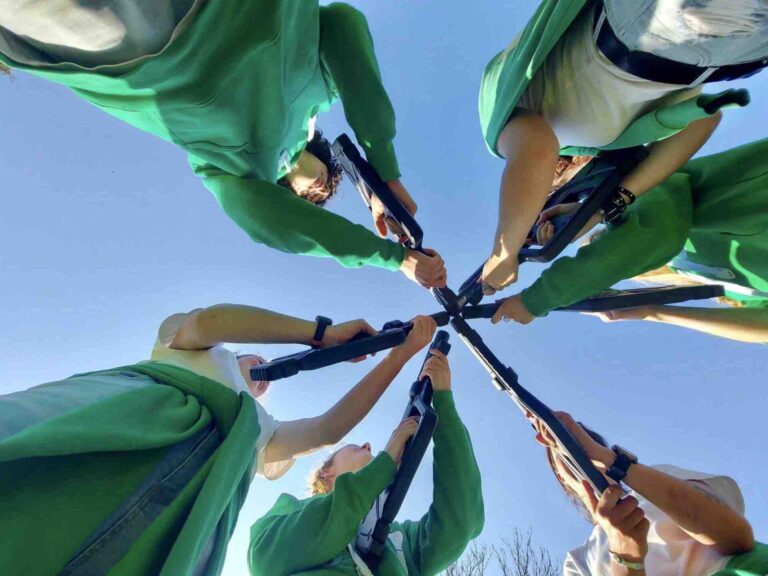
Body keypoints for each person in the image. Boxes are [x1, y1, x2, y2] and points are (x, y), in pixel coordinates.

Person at [0, 2, 446, 288]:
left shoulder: (237, 174)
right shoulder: (320, 91)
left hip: (144, 46)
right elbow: (343, 23)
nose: (318, 192)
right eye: (326, 188)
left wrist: (394, 259)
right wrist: (382, 173)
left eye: (311, 201)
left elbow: (276, 224)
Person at [0, 304, 439, 576]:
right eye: (256, 359)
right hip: (115, 424)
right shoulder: (189, 352)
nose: (262, 375)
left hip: (179, 519)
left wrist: (399, 355)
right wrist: (320, 333)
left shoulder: (260, 431)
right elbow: (211, 322)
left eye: (266, 378)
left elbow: (328, 429)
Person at [477, 0, 767, 294]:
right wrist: (602, 208)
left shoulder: (498, 127)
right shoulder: (609, 139)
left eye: (546, 194)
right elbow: (701, 121)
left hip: (651, 25)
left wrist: (504, 251)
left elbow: (536, 152)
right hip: (727, 54)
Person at [491, 138, 768, 344]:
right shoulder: (695, 272)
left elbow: (651, 231)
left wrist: (537, 299)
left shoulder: (646, 180)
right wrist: (653, 310)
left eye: (565, 188)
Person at [247, 350, 484, 576]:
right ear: (326, 473)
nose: (368, 446)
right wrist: (382, 465)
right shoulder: (291, 509)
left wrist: (444, 407)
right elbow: (264, 558)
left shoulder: (400, 538)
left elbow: (461, 522)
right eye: (355, 447)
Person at [531, 410, 766, 575]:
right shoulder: (578, 564)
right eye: (562, 454)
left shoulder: (658, 480)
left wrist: (612, 460)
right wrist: (626, 556)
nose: (571, 452)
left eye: (578, 442)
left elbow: (737, 538)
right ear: (563, 480)